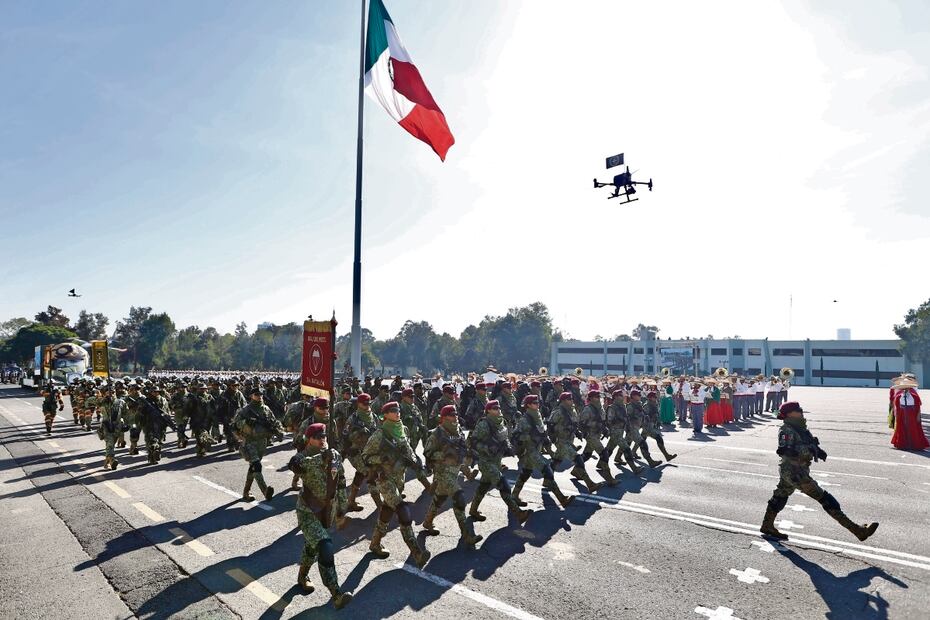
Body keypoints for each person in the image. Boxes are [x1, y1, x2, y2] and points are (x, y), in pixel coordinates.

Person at [761, 401, 879, 541]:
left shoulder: (799, 427)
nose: (800, 411)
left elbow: (806, 443)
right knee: (826, 499)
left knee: (779, 497)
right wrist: (808, 450)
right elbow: (785, 450)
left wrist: (817, 449)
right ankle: (858, 531)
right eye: (797, 409)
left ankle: (767, 525)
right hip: (794, 472)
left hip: (796, 469)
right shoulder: (787, 429)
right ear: (789, 414)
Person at [288, 423, 353, 609]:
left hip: (326, 511)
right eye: (317, 436)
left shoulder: (334, 455)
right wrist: (321, 458)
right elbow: (295, 466)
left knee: (311, 546)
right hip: (308, 511)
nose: (322, 439)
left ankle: (302, 577)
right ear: (309, 438)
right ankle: (336, 594)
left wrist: (342, 508)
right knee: (325, 547)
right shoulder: (301, 457)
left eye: (323, 436)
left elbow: (340, 481)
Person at [361, 402, 431, 567]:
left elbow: (409, 451)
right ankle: (417, 552)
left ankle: (375, 543)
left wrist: (415, 462)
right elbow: (365, 456)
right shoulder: (380, 434)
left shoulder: (403, 429)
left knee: (387, 510)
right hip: (385, 479)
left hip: (399, 478)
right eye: (392, 411)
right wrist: (382, 459)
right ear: (385, 415)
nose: (397, 413)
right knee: (403, 510)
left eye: (398, 410)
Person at [422, 405, 483, 547]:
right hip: (443, 472)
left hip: (454, 471)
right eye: (451, 414)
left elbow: (462, 448)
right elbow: (428, 452)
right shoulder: (437, 433)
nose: (455, 416)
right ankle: (467, 535)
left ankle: (428, 522)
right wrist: (445, 455)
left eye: (455, 414)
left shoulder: (458, 430)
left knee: (440, 498)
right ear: (443, 417)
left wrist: (468, 457)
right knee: (459, 498)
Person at [468, 400, 531, 524]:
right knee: (504, 485)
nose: (498, 409)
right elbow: (473, 442)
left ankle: (473, 510)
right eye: (495, 408)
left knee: (483, 487)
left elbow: (504, 437)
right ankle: (518, 513)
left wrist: (508, 447)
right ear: (488, 410)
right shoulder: (484, 424)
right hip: (486, 462)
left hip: (496, 461)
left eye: (498, 407)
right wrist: (487, 448)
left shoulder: (501, 422)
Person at [512, 394, 575, 508]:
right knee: (547, 470)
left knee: (525, 473)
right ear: (528, 405)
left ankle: (514, 496)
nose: (538, 404)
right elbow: (515, 436)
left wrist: (545, 439)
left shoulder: (537, 416)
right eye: (535, 403)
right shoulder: (524, 419)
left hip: (537, 449)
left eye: (537, 402)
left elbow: (541, 431)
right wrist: (530, 437)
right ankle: (562, 498)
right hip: (531, 451)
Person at [232, 387, 283, 502]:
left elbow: (274, 422)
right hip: (249, 441)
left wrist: (279, 431)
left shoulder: (266, 409)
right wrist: (246, 422)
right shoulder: (245, 410)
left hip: (262, 442)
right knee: (256, 465)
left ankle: (246, 492)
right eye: (256, 394)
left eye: (261, 394)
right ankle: (265, 491)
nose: (259, 396)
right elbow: (235, 425)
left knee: (253, 467)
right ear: (251, 396)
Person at [890, 376, 928, 451]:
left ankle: (914, 444)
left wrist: (917, 415)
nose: (905, 389)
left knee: (913, 429)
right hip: (902, 413)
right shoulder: (899, 395)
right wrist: (897, 415)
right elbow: (897, 406)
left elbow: (918, 406)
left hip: (911, 414)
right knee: (903, 428)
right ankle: (904, 444)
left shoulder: (914, 395)